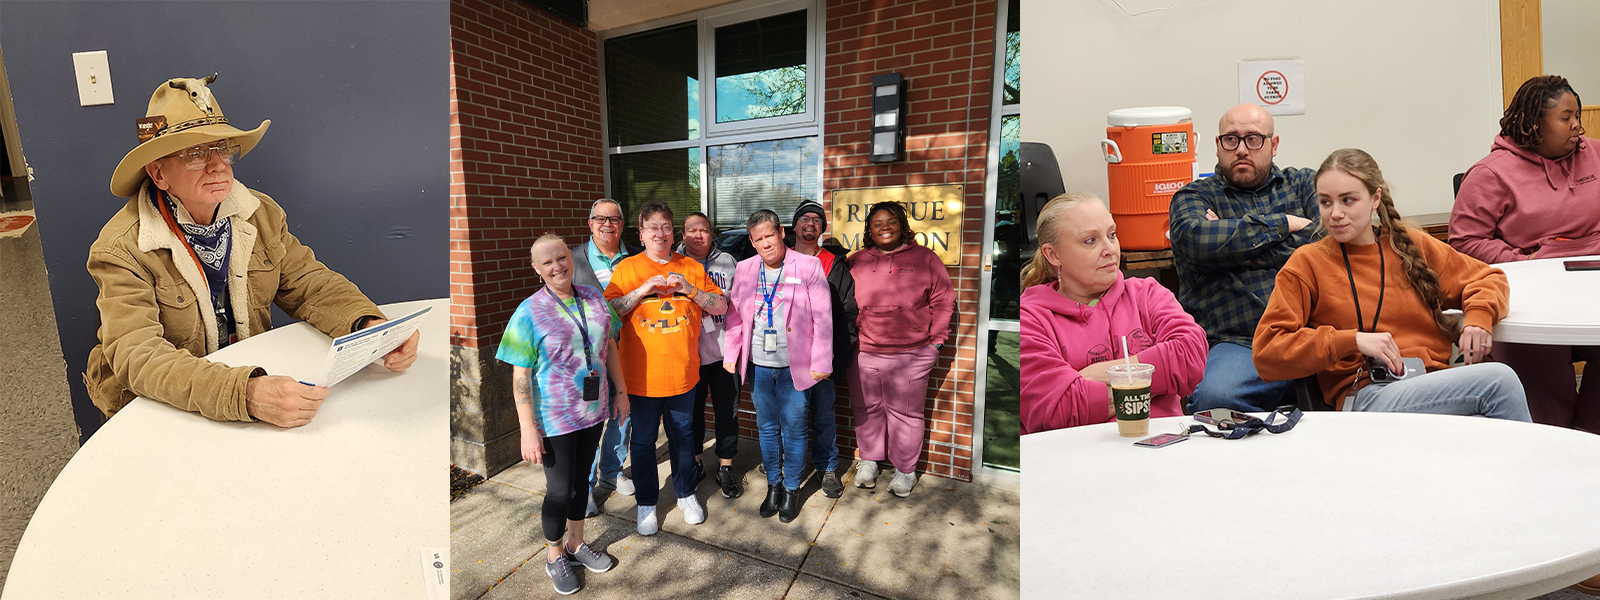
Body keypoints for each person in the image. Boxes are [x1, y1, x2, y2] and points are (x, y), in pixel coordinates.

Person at [86, 75, 418, 428]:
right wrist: (248, 394)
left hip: (244, 381)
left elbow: (309, 283)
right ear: (159, 174)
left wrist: (369, 328)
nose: (217, 165)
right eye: (196, 154)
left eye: (223, 148)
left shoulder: (260, 213)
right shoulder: (120, 248)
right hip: (158, 405)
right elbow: (138, 356)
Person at [1253, 149, 1529, 421]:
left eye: (1347, 200)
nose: (1335, 213)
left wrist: (1478, 317)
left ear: (1375, 199)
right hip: (1368, 396)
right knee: (1499, 382)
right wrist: (1352, 340)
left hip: (1433, 383)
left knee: (1493, 407)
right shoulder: (1308, 263)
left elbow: (1488, 278)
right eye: (1326, 202)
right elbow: (1268, 352)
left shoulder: (1411, 244)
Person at [1450, 75, 1600, 431]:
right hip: (1532, 294)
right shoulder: (1490, 174)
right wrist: (1525, 262)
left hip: (1591, 284)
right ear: (1535, 124)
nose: (1577, 125)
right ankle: (1558, 446)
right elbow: (1464, 243)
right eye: (1566, 118)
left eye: (1577, 115)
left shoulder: (1594, 153)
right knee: (1545, 386)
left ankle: (1590, 439)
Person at [1168, 103, 1320, 413]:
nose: (1241, 149)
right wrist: (1286, 224)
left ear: (1273, 145)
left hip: (1312, 332)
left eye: (1253, 139)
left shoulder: (1304, 184)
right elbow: (1196, 242)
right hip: (1239, 342)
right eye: (1231, 139)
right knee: (1216, 401)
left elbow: (1329, 243)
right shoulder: (1194, 197)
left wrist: (1231, 250)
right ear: (1218, 145)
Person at [496, 234, 626, 595]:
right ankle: (554, 556)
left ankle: (575, 544)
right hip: (553, 419)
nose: (557, 266)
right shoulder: (529, 312)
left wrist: (622, 392)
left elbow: (610, 345)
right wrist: (526, 430)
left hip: (593, 410)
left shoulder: (594, 297)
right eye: (547, 262)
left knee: (581, 484)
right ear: (536, 269)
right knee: (559, 490)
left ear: (571, 257)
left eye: (562, 258)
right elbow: (520, 375)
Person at [1019, 193, 1206, 434]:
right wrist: (1154, 375)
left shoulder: (1147, 293)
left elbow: (1190, 356)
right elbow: (1056, 408)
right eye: (1090, 241)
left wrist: (1104, 375)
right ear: (1053, 255)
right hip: (1076, 458)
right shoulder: (1031, 318)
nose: (1109, 249)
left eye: (1112, 235)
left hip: (1162, 447)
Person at [604, 202, 726, 535]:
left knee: (684, 439)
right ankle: (647, 502)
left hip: (684, 376)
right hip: (641, 379)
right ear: (641, 233)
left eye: (666, 227)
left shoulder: (691, 267)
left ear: (674, 233)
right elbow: (609, 312)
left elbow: (721, 305)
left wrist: (691, 289)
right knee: (642, 443)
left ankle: (686, 494)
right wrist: (642, 290)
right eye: (653, 227)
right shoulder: (627, 269)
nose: (660, 233)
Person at [722, 209, 832, 522]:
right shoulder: (744, 269)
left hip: (795, 367)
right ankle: (774, 484)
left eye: (770, 235)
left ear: (781, 232)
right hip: (758, 365)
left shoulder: (808, 266)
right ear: (752, 243)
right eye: (758, 239)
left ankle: (792, 489)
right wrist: (732, 354)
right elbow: (734, 316)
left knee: (795, 430)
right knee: (767, 429)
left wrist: (822, 361)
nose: (765, 243)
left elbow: (823, 319)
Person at [846, 201, 954, 497]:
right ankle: (868, 461)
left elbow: (944, 301)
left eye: (891, 221)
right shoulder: (856, 261)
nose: (884, 227)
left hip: (911, 353)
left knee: (906, 414)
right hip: (865, 352)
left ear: (902, 225)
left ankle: (905, 471)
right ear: (869, 229)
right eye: (877, 223)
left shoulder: (925, 258)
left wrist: (935, 344)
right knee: (866, 410)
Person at [573, 198, 641, 507]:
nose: (607, 224)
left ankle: (612, 472)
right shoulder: (572, 260)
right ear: (590, 223)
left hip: (628, 352)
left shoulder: (639, 259)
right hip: (587, 361)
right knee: (588, 423)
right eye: (600, 219)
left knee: (622, 414)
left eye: (614, 219)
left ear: (622, 225)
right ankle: (584, 487)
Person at [788, 200, 857, 498]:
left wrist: (838, 360)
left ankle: (827, 467)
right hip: (785, 356)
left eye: (817, 219)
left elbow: (848, 314)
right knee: (787, 416)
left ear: (822, 228)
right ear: (794, 225)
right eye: (804, 217)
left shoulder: (833, 264)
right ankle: (786, 462)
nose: (811, 222)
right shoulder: (779, 258)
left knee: (823, 415)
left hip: (821, 358)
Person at [677, 211, 743, 499]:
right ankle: (695, 462)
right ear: (683, 235)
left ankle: (726, 466)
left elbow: (738, 306)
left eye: (703, 229)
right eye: (691, 230)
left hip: (723, 352)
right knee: (691, 416)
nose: (698, 235)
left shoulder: (728, 263)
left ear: (711, 233)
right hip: (687, 355)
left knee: (727, 412)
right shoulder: (672, 264)